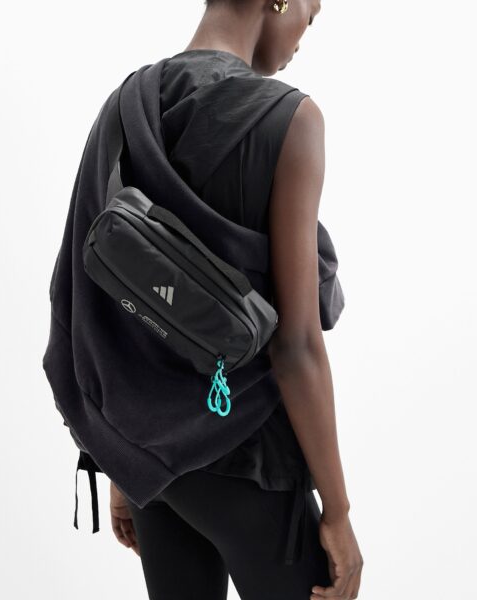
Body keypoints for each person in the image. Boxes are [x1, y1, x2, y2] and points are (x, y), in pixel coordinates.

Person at [105, 1, 364, 599]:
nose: (304, 33)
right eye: (310, 12)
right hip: (249, 462)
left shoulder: (128, 104)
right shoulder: (291, 119)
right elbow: (296, 345)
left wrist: (117, 459)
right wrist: (338, 512)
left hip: (153, 465)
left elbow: (98, 300)